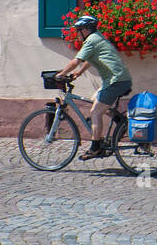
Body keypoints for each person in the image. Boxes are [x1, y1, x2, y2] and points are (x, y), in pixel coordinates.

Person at [56, 15, 133, 160]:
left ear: (85, 30)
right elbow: (89, 60)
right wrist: (78, 73)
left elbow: (76, 61)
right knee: (94, 100)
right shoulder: (97, 38)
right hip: (118, 79)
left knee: (95, 112)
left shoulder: (91, 40)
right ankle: (120, 121)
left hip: (115, 81)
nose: (77, 34)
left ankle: (95, 148)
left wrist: (61, 74)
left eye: (78, 30)